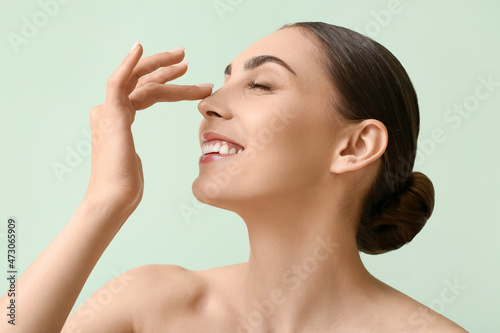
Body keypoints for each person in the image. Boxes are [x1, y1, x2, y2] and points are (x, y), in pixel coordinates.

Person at [0, 22, 467, 332]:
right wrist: (104, 202)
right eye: (222, 82)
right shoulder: (148, 304)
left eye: (260, 85)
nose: (207, 104)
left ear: (355, 146)